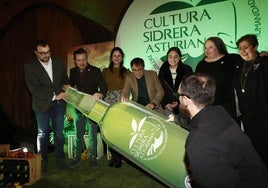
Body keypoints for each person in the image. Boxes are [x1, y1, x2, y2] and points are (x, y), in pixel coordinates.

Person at [178, 73, 268, 188]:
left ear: (185, 100)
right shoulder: (219, 112)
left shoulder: (198, 142)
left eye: (179, 95)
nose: (179, 98)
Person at [24, 40, 69, 174]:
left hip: (58, 105)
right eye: (42, 53)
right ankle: (43, 163)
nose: (46, 55)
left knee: (59, 133)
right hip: (41, 104)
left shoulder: (58, 62)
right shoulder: (29, 66)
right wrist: (55, 96)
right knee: (43, 134)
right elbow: (34, 89)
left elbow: (64, 80)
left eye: (48, 52)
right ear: (36, 53)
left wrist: (66, 86)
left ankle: (60, 160)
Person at [233, 34, 268, 169]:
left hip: (264, 115)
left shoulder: (264, 63)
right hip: (247, 117)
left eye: (246, 47)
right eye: (240, 48)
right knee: (254, 149)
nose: (242, 51)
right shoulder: (238, 65)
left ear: (255, 47)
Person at [69, 48, 107, 168]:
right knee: (78, 135)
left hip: (92, 108)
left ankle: (92, 158)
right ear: (75, 61)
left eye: (84, 60)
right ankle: (76, 157)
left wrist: (99, 94)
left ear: (87, 59)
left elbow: (104, 88)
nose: (82, 62)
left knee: (92, 134)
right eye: (79, 60)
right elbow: (71, 86)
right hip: (78, 108)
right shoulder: (73, 71)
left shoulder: (96, 71)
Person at [195, 37, 241, 119]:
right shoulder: (201, 64)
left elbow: (250, 60)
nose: (207, 50)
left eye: (210, 47)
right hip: (208, 106)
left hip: (229, 105)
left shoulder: (232, 59)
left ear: (219, 47)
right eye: (205, 48)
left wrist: (262, 55)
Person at [102, 47, 130, 168]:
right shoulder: (105, 71)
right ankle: (112, 156)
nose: (117, 58)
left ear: (122, 57)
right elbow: (102, 87)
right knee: (109, 129)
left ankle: (119, 157)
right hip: (108, 101)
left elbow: (128, 88)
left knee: (119, 130)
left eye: (119, 55)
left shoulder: (127, 72)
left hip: (120, 101)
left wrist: (124, 97)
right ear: (111, 57)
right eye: (114, 55)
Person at [158, 47, 193, 121]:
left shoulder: (187, 70)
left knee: (185, 129)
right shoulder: (162, 71)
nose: (172, 59)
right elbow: (159, 89)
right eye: (170, 57)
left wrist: (181, 102)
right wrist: (166, 104)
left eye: (175, 57)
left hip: (184, 106)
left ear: (180, 57)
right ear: (167, 58)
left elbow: (191, 88)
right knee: (172, 129)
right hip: (168, 106)